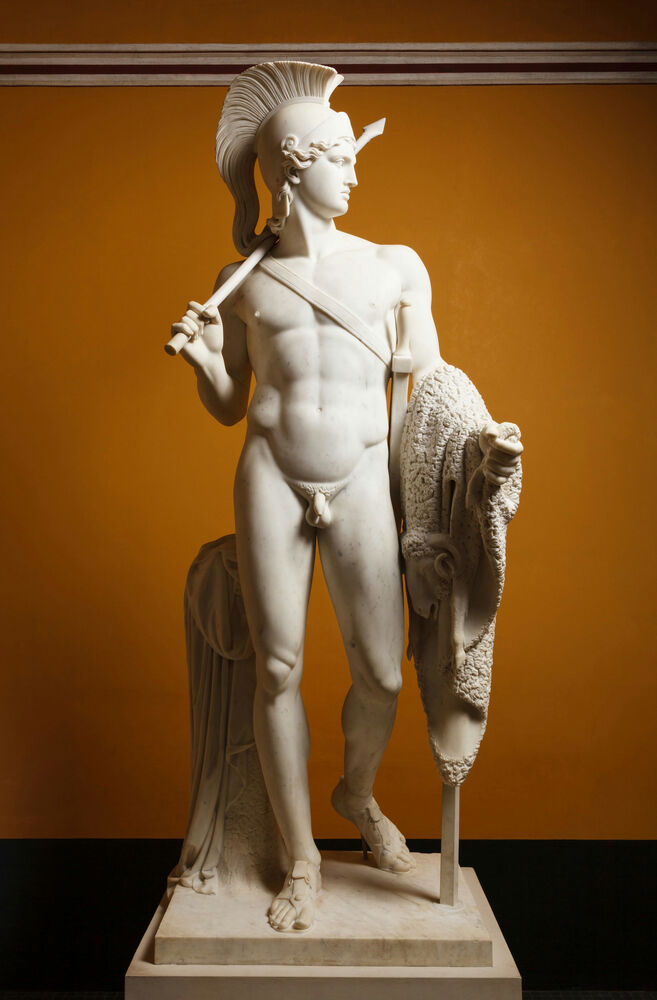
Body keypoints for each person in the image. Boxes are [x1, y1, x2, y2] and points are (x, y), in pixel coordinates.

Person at [171, 61, 520, 933]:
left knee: (379, 673)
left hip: (361, 470)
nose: (355, 174)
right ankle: (300, 860)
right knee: (277, 667)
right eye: (340, 157)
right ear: (293, 167)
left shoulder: (394, 267)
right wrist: (208, 362)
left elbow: (431, 392)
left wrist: (478, 454)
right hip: (270, 471)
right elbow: (232, 406)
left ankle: (354, 795)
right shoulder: (242, 280)